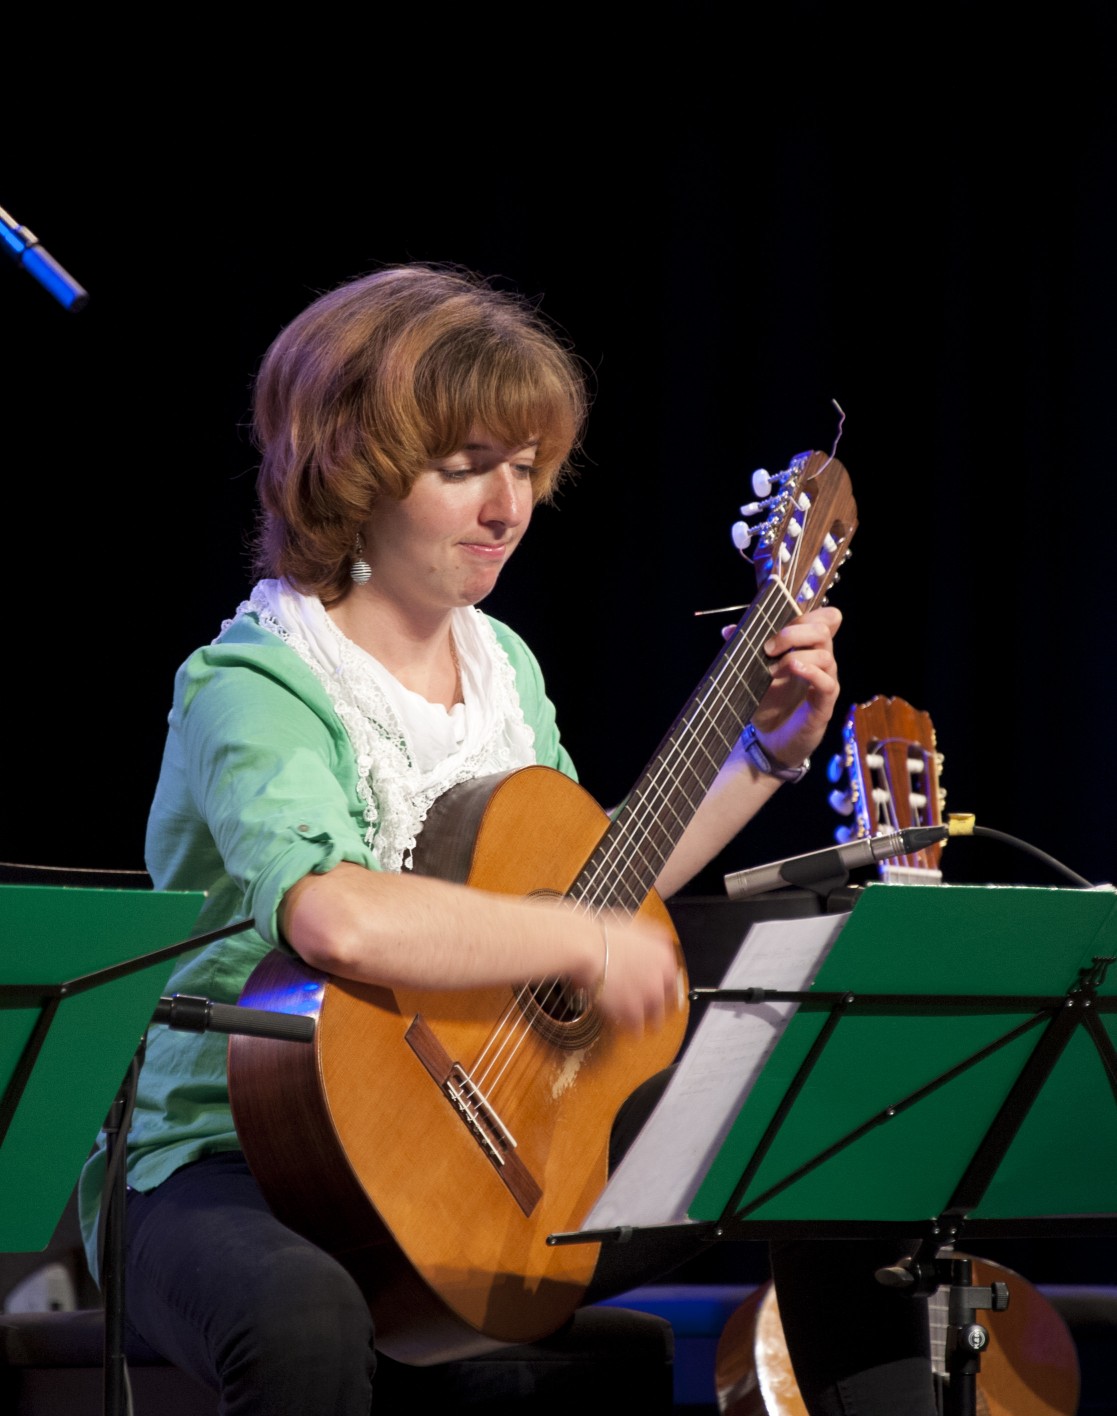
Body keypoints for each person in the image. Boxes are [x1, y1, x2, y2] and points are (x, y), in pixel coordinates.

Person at [78, 264, 929, 1415]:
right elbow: (335, 913)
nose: (507, 506)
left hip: (478, 1147)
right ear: (352, 466)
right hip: (232, 1160)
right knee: (302, 1317)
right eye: (465, 467)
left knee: (826, 1146)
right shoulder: (254, 681)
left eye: (523, 468)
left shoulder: (502, 666)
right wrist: (571, 943)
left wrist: (763, 756)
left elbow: (592, 891)